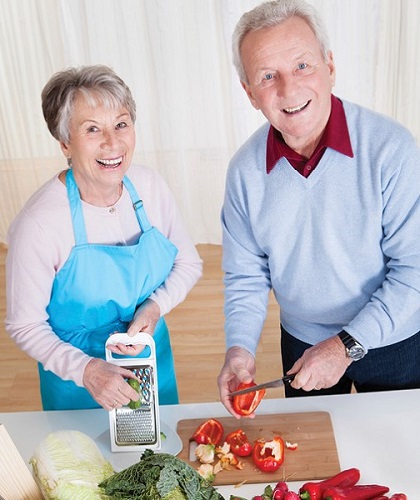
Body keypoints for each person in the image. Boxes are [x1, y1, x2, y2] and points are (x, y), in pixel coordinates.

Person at [218, 0, 420, 417]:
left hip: (394, 338)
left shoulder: (393, 150)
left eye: (303, 66)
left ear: (330, 65)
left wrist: (347, 344)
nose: (289, 90)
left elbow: (414, 271)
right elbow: (246, 275)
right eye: (268, 76)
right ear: (250, 93)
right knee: (315, 463)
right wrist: (239, 348)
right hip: (302, 341)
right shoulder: (243, 172)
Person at [5, 65, 202, 411]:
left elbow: (188, 263)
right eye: (92, 129)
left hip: (149, 359)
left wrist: (154, 308)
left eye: (121, 124)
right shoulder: (39, 224)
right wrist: (87, 371)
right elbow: (25, 325)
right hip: (77, 381)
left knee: (160, 461)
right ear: (65, 142)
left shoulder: (151, 188)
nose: (112, 143)